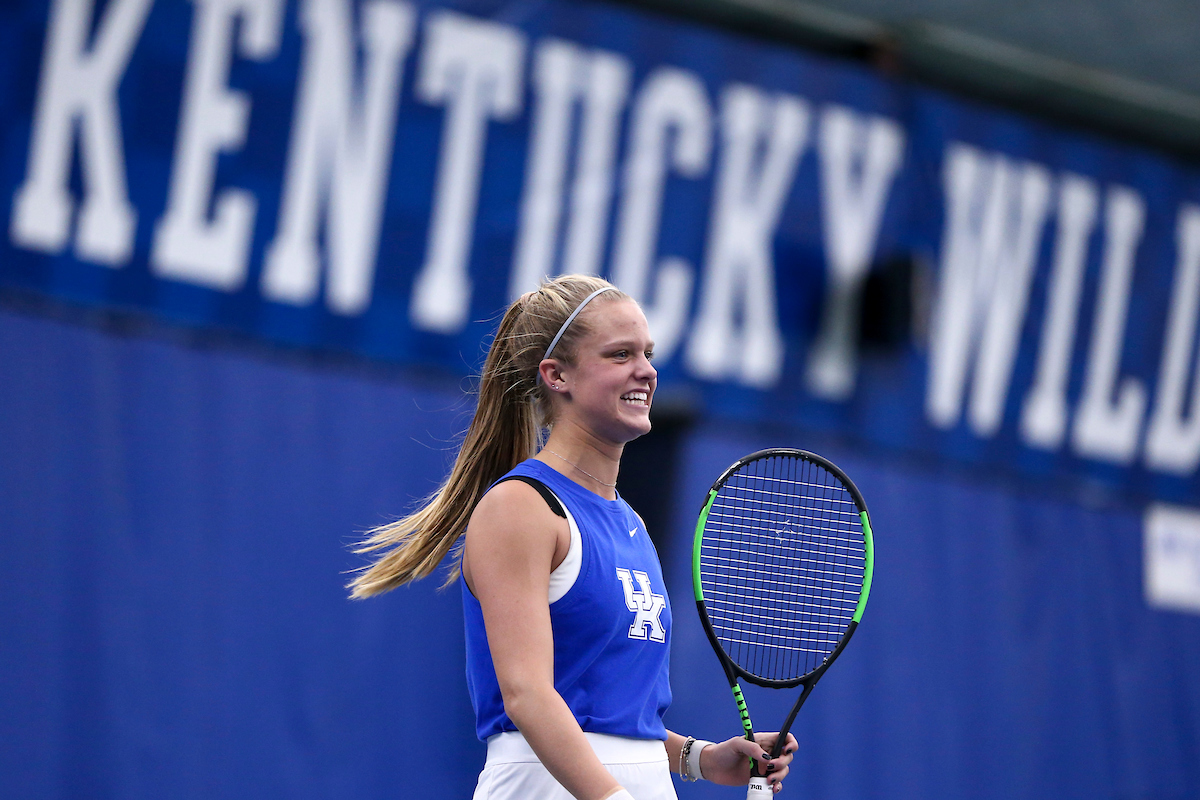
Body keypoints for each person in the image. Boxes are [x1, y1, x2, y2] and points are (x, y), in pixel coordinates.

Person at [349, 275, 796, 799]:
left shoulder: (629, 522)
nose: (646, 371)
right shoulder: (521, 506)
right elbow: (528, 695)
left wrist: (701, 759)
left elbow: (611, 715)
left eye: (648, 354)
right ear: (557, 375)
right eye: (620, 354)